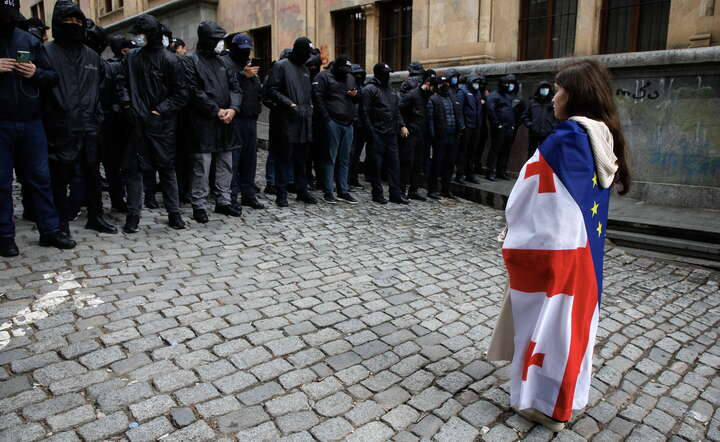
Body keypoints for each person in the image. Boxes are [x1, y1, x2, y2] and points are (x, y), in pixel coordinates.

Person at [487, 59, 631, 432]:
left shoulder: (569, 138)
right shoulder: (601, 134)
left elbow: (532, 193)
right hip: (583, 255)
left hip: (556, 251)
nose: (554, 97)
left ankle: (545, 406)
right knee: (570, 327)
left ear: (577, 94)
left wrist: (514, 232)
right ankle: (562, 400)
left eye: (560, 89)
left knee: (549, 328)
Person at [0, 0, 76, 256]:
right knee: (2, 184)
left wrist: (34, 72)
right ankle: (5, 236)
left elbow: (51, 77)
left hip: (31, 122)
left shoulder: (28, 40)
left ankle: (50, 231)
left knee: (41, 179)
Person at [43, 1, 117, 236]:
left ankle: (96, 217)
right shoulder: (45, 53)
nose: (74, 25)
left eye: (78, 21)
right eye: (68, 21)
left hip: (89, 127)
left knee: (93, 176)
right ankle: (60, 224)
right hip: (60, 127)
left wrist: (97, 118)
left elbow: (100, 88)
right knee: (60, 180)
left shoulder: (92, 56)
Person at [118, 14, 187, 233]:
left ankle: (174, 213)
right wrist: (127, 104)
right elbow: (121, 82)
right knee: (133, 170)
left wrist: (161, 110)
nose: (138, 39)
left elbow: (181, 93)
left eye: (141, 35)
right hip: (136, 123)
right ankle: (133, 215)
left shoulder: (170, 60)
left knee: (167, 169)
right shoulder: (131, 59)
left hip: (162, 125)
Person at [185, 21, 242, 223]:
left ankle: (223, 201)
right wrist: (215, 110)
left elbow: (236, 88)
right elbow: (194, 91)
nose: (220, 44)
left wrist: (233, 109)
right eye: (217, 40)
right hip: (203, 122)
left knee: (226, 163)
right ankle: (199, 204)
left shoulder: (225, 62)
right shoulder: (191, 61)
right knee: (202, 165)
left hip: (226, 121)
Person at [264, 37, 317, 207]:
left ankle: (302, 191)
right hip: (285, 120)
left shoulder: (304, 69)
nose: (308, 57)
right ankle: (281, 194)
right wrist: (288, 103)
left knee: (302, 160)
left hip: (303, 120)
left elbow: (307, 92)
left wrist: (309, 105)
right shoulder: (281, 66)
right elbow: (270, 90)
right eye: (306, 53)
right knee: (283, 159)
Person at [225, 33, 265, 210]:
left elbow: (257, 91)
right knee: (234, 160)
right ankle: (232, 197)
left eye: (248, 50)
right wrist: (242, 75)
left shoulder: (249, 68)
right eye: (243, 50)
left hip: (250, 118)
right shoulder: (227, 65)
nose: (246, 53)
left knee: (250, 159)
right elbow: (227, 89)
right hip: (236, 119)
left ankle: (248, 195)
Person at [361, 62, 409, 205]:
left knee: (394, 164)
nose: (388, 76)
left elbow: (396, 110)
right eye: (386, 73)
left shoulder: (391, 90)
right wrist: (371, 132)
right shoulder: (369, 89)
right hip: (377, 133)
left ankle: (395, 194)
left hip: (391, 133)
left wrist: (402, 125)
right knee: (376, 165)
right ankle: (377, 193)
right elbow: (364, 112)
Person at [313, 55, 359, 204]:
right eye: (343, 69)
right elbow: (317, 97)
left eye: (348, 70)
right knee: (330, 158)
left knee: (345, 158)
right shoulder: (324, 76)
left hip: (348, 122)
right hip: (333, 121)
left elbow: (359, 95)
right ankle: (328, 191)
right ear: (337, 67)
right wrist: (327, 118)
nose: (346, 72)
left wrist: (356, 94)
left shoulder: (350, 78)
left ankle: (343, 191)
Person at [426, 75, 464, 200]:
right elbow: (430, 120)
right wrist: (432, 136)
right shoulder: (433, 99)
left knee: (450, 164)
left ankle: (446, 189)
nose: (445, 86)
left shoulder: (453, 98)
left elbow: (458, 115)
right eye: (442, 84)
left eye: (446, 83)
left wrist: (460, 129)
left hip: (453, 136)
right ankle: (432, 189)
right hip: (440, 137)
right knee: (437, 164)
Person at [399, 71, 434, 201]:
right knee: (407, 162)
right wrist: (403, 125)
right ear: (427, 84)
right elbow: (399, 110)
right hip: (411, 133)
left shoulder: (426, 96)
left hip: (421, 133)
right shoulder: (412, 95)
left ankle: (413, 190)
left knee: (418, 163)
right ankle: (401, 189)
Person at [486, 73, 520, 181]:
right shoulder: (494, 96)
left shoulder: (507, 96)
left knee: (505, 150)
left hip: (509, 127)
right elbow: (491, 111)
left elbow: (510, 111)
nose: (507, 85)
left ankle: (501, 171)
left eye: (508, 83)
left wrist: (513, 125)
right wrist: (497, 124)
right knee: (495, 150)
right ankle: (490, 172)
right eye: (505, 83)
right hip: (499, 128)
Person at [455, 73, 486, 184]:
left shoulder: (477, 93)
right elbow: (460, 110)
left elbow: (479, 110)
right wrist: (462, 125)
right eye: (475, 82)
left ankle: (469, 174)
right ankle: (459, 174)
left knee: (472, 152)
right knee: (463, 151)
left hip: (476, 126)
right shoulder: (462, 92)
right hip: (467, 126)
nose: (476, 85)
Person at [522, 80, 557, 158]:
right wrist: (531, 125)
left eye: (546, 88)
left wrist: (552, 127)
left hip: (548, 134)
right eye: (543, 88)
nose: (544, 90)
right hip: (534, 133)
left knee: (547, 155)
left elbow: (558, 117)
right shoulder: (532, 102)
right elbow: (525, 116)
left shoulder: (553, 103)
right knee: (531, 154)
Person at [348, 63, 367, 189]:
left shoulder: (363, 88)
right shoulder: (349, 88)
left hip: (361, 125)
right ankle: (348, 179)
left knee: (356, 153)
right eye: (357, 75)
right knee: (350, 153)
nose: (359, 77)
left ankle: (353, 178)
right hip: (352, 123)